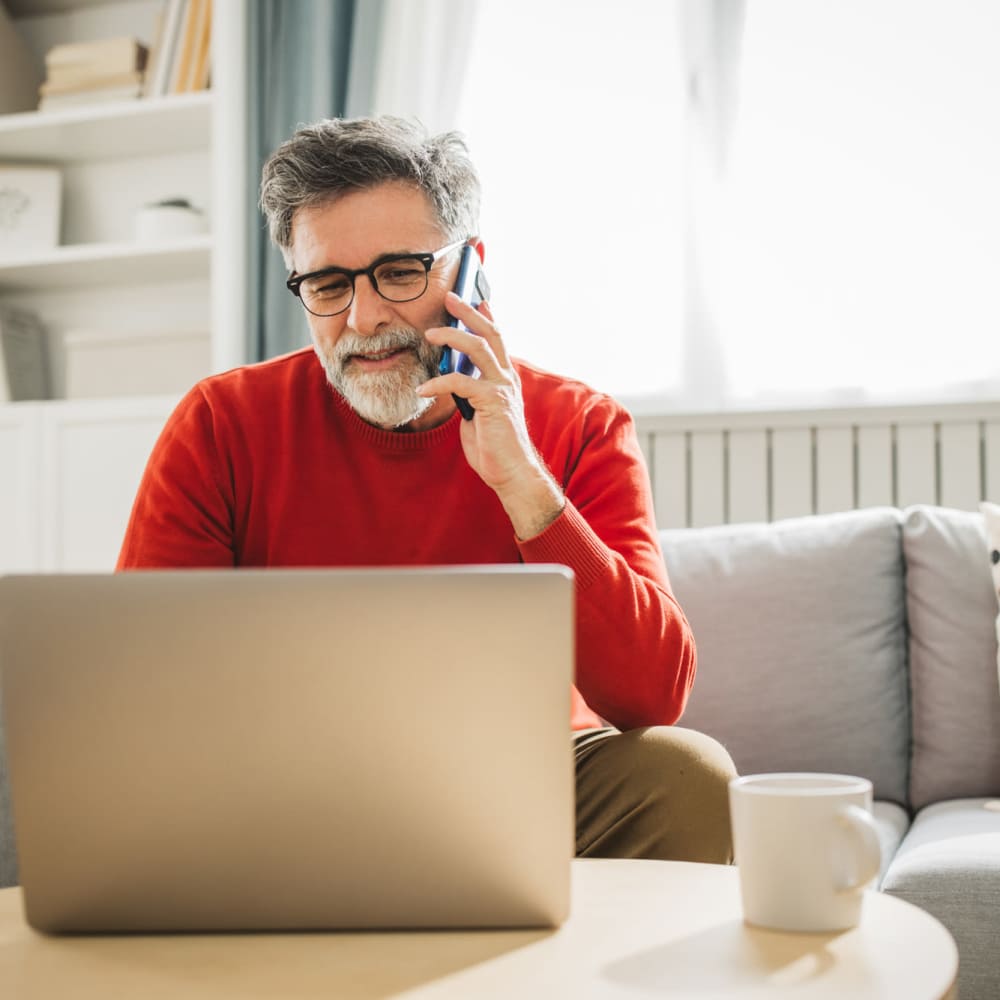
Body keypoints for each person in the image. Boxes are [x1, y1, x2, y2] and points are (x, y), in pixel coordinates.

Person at [118, 116, 736, 863]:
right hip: (291, 792)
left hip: (522, 783)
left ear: (471, 268)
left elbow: (652, 696)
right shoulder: (220, 423)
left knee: (687, 776)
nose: (365, 317)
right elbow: (146, 687)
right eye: (328, 283)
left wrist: (524, 484)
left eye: (401, 272)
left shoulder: (579, 423)